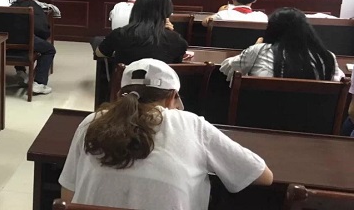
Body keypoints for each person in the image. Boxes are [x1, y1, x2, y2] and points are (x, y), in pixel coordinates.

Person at [59, 58, 273, 209]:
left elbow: (68, 194)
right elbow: (263, 176)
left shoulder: (92, 122)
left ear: (119, 94)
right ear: (172, 97)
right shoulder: (191, 124)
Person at [220, 7, 345, 82]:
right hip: (313, 118)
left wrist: (254, 48)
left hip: (261, 116)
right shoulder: (327, 57)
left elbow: (226, 67)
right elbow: (339, 81)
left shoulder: (260, 51)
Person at [96, 0, 188, 65]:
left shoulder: (119, 34)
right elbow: (176, 63)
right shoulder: (176, 40)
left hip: (125, 82)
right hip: (161, 83)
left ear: (136, 9)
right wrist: (171, 32)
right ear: (167, 12)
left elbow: (99, 53)